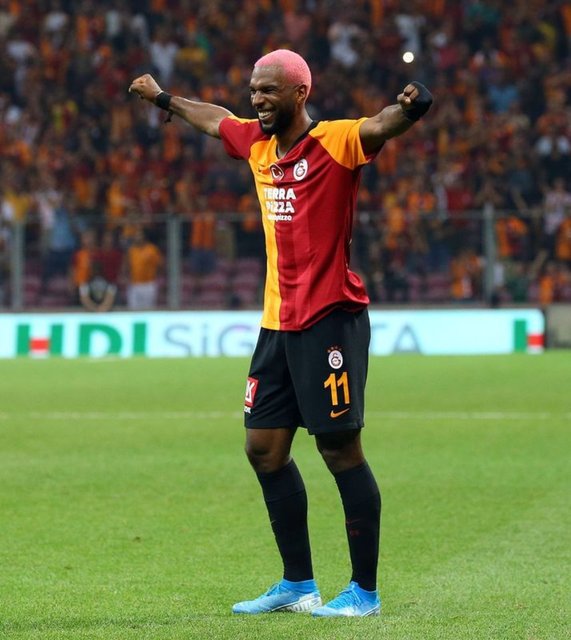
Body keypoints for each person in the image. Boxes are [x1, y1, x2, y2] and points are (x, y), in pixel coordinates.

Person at [129, 49, 432, 618]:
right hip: (276, 323)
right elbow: (214, 119)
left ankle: (364, 592)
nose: (257, 99)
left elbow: (380, 125)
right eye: (253, 89)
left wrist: (412, 107)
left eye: (268, 90)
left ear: (299, 93)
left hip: (330, 319)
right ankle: (298, 584)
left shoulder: (336, 141)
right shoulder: (256, 143)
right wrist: (164, 99)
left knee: (339, 449)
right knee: (264, 450)